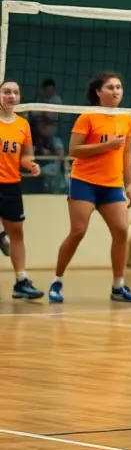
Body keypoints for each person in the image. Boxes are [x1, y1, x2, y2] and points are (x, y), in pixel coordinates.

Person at [50, 72, 131, 304]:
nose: (116, 91)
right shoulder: (87, 117)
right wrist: (107, 145)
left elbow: (126, 153)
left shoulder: (126, 118)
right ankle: (57, 281)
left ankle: (118, 287)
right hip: (84, 181)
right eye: (110, 87)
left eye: (119, 87)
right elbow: (73, 151)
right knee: (78, 231)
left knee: (122, 231)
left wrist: (130, 184)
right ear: (99, 92)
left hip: (112, 184)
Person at [0, 81, 44, 300]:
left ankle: (21, 282)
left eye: (15, 92)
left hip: (11, 186)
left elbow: (26, 155)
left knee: (17, 233)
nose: (11, 96)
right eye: (6, 92)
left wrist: (30, 164)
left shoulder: (23, 124)